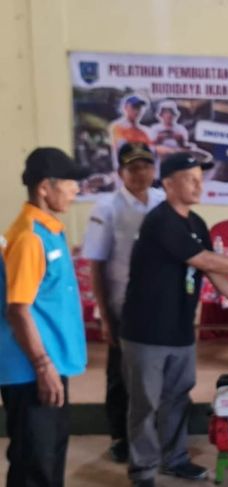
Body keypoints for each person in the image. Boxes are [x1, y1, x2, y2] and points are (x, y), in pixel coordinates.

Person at [120, 152, 228, 487]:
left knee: (177, 399)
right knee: (145, 405)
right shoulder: (160, 221)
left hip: (180, 330)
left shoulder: (196, 223)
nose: (198, 186)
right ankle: (142, 471)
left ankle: (174, 460)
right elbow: (206, 260)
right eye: (190, 179)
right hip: (146, 332)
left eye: (201, 179)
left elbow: (212, 270)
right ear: (169, 184)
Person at [0, 147, 91, 486]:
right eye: (70, 183)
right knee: (34, 463)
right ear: (44, 187)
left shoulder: (49, 231)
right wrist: (42, 366)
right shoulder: (29, 237)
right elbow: (18, 309)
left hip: (50, 364)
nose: (76, 190)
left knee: (49, 455)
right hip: (32, 370)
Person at [81, 143, 165, 463]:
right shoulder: (106, 207)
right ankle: (119, 435)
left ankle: (152, 432)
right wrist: (105, 316)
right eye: (133, 168)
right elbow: (96, 265)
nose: (141, 173)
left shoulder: (163, 202)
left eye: (146, 166)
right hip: (122, 305)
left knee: (155, 371)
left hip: (157, 305)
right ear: (121, 173)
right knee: (120, 373)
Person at [109, 94, 152, 171]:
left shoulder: (144, 131)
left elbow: (150, 152)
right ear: (126, 108)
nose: (137, 111)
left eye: (139, 108)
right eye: (134, 107)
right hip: (125, 170)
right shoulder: (118, 126)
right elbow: (124, 149)